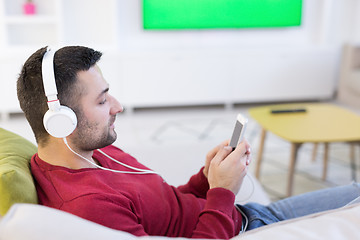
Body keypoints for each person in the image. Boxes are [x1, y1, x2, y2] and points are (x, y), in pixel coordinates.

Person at [17, 46, 360, 239]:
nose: (119, 106)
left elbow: (164, 208)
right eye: (103, 101)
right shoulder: (88, 207)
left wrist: (206, 178)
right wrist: (224, 191)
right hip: (246, 229)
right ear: (60, 120)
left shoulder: (94, 149)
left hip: (246, 214)